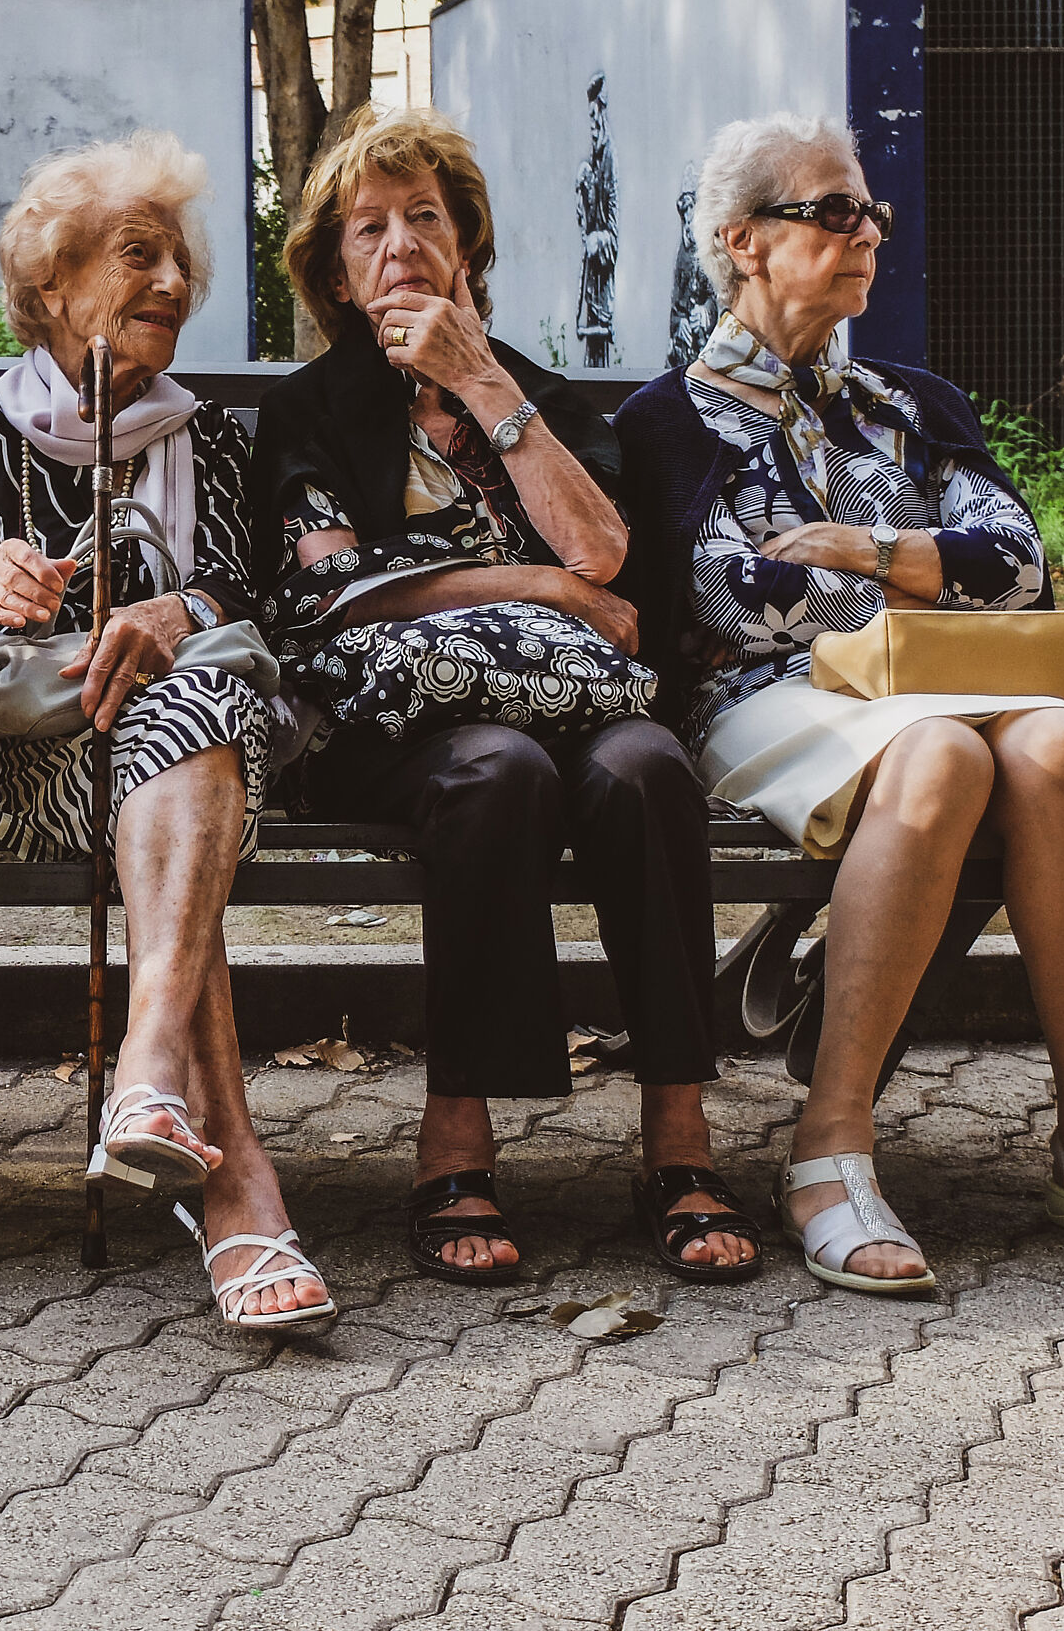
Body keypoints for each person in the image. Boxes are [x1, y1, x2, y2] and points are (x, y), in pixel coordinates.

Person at [614, 110, 1064, 1292]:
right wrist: (931, 564)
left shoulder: (912, 402)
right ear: (742, 240)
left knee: (1054, 742)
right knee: (943, 753)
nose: (864, 232)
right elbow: (732, 600)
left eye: (869, 211)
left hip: (946, 688)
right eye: (829, 212)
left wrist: (863, 551)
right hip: (760, 706)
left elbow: (1027, 568)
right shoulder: (667, 422)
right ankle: (830, 1144)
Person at [252, 105, 762, 1287]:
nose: (400, 246)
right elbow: (339, 590)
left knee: (647, 771)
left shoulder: (543, 398)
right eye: (367, 228)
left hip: (583, 706)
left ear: (467, 243)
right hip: (397, 722)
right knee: (499, 773)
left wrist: (481, 384)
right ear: (335, 267)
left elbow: (615, 565)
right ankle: (458, 1131)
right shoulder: (310, 410)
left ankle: (678, 1135)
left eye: (424, 218)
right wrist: (533, 580)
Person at [0, 131, 335, 1335]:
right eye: (135, 256)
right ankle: (232, 1173)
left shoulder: (216, 437)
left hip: (208, 758)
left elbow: (270, 603)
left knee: (190, 693)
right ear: (51, 287)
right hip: (41, 758)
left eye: (179, 262)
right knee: (179, 728)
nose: (170, 283)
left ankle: (156, 1085)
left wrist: (182, 607)